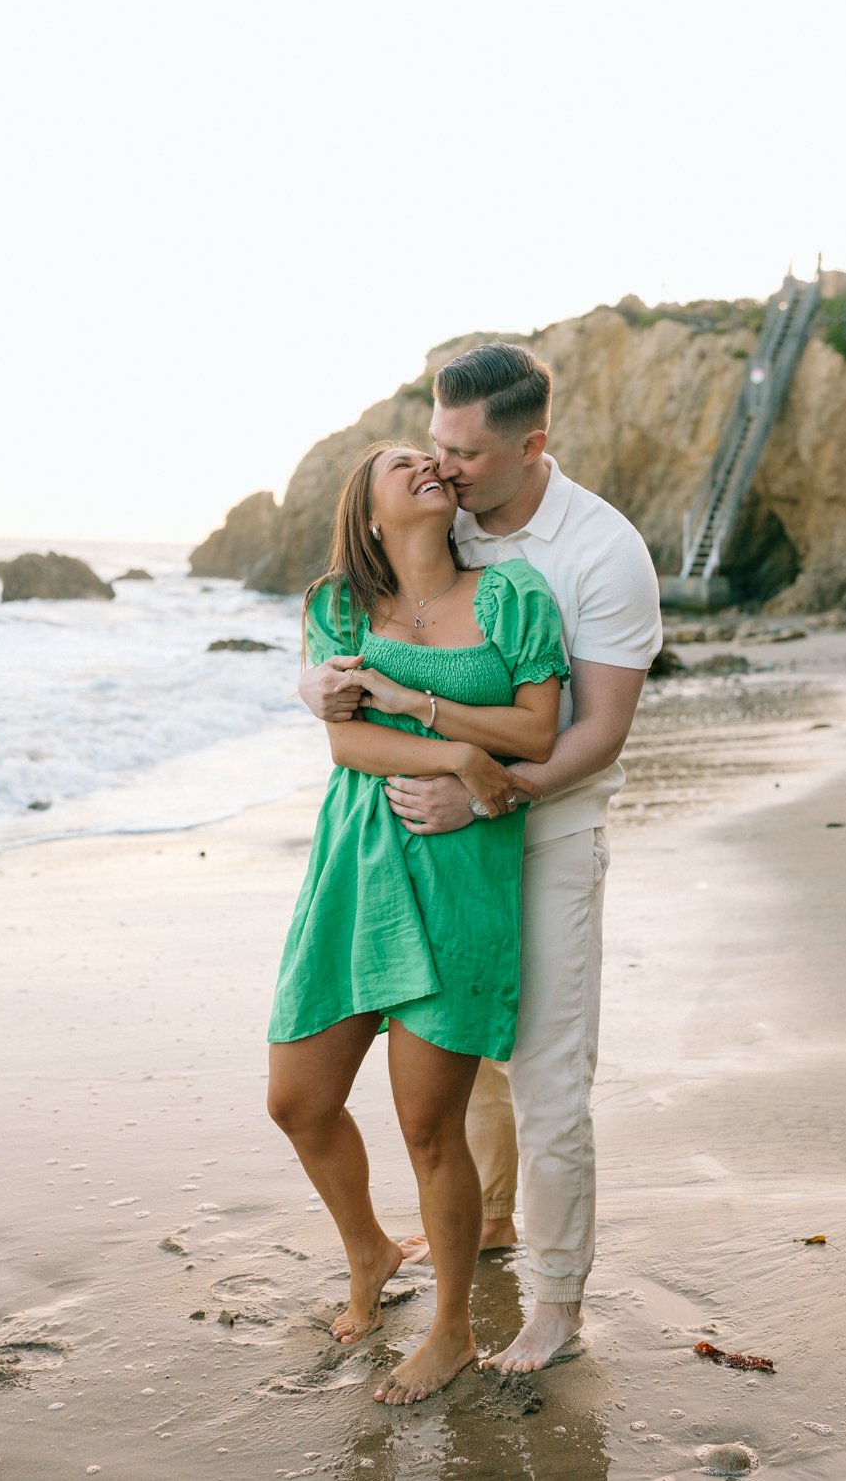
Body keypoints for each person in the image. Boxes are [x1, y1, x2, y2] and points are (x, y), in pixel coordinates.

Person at [298, 344, 663, 1373]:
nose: (443, 469)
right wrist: (316, 691)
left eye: (465, 453)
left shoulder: (601, 550)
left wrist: (485, 790)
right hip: (426, 832)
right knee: (474, 1069)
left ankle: (553, 1306)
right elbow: (366, 623)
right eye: (435, 444)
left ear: (530, 446)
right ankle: (486, 1224)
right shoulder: (438, 510)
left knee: (546, 1072)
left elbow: (596, 731)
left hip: (546, 832)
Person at [267, 437, 569, 1405]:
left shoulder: (512, 597)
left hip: (460, 878)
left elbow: (536, 730)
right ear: (368, 511)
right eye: (403, 462)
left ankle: (450, 1330)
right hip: (355, 869)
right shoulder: (336, 607)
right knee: (297, 1097)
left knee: (428, 1125)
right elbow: (346, 738)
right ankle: (366, 1250)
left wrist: (424, 711)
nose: (427, 465)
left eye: (431, 456)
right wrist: (452, 764)